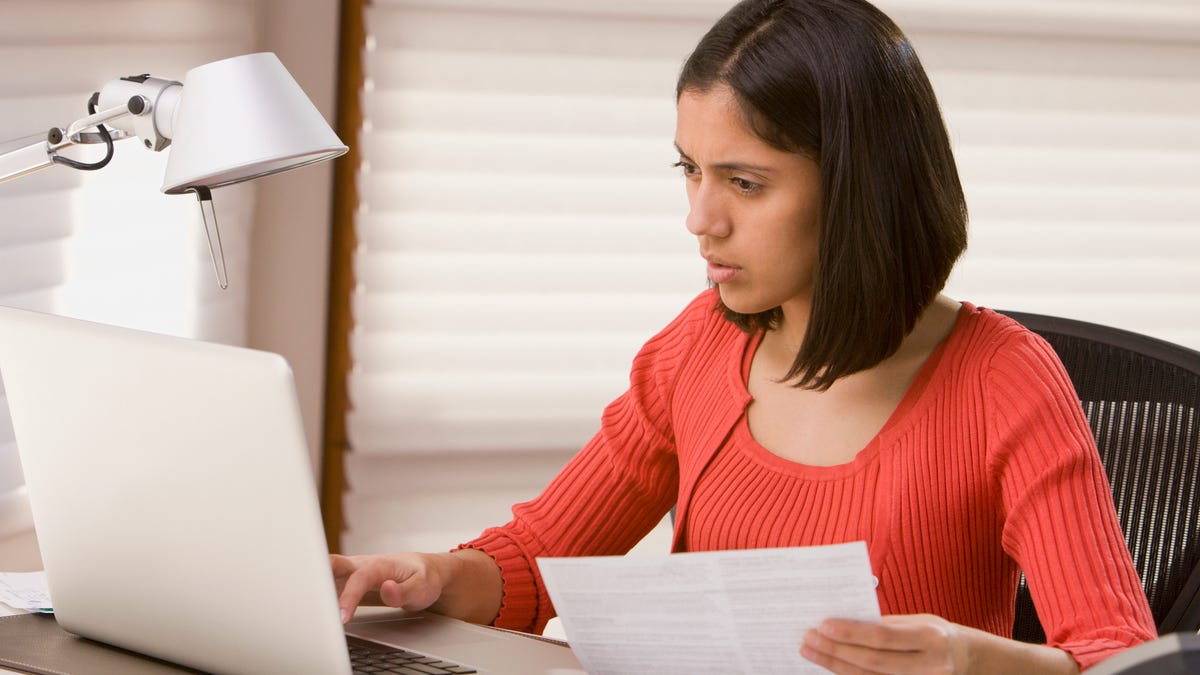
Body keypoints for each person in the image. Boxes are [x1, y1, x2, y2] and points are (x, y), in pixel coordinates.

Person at [331, 0, 1156, 672]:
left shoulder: (1003, 379)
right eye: (689, 170)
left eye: (744, 182)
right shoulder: (699, 345)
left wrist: (971, 662)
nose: (700, 219)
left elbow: (1121, 658)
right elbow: (538, 558)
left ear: (861, 187)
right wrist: (431, 577)